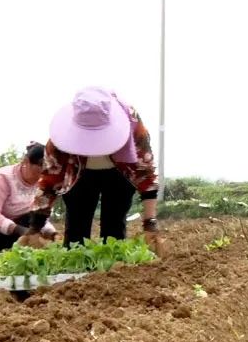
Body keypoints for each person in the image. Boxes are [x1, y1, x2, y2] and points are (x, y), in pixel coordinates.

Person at [20, 87, 161, 252]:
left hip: (119, 173)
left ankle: (112, 269)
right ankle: (75, 271)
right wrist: (35, 228)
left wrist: (150, 224)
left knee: (114, 228)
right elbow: (49, 181)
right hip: (79, 174)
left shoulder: (133, 125)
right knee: (76, 231)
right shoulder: (59, 140)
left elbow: (146, 174)